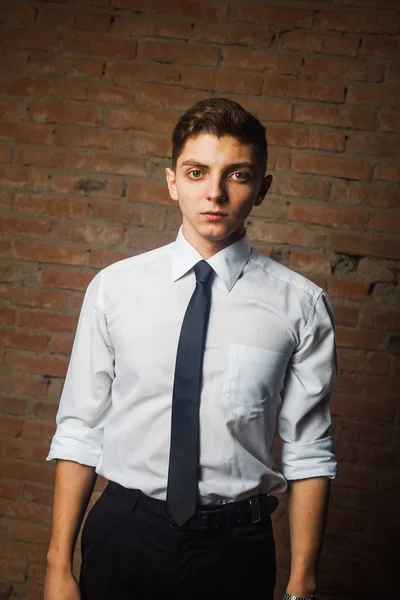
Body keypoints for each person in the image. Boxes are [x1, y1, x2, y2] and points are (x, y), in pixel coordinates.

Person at [44, 97, 337, 600]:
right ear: (173, 182)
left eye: (238, 175)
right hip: (124, 534)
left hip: (235, 547)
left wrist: (302, 583)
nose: (215, 193)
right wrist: (57, 566)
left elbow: (308, 450)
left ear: (262, 189)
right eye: (197, 172)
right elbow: (81, 428)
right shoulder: (115, 288)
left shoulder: (301, 305)